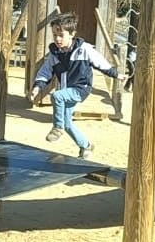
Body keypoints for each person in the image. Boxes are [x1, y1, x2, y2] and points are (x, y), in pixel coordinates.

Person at [29, 12, 126, 159]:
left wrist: (117, 75)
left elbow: (101, 63)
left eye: (61, 35)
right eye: (55, 35)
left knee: (56, 96)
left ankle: (57, 128)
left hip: (81, 89)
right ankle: (86, 146)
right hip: (66, 90)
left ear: (72, 34)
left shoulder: (84, 49)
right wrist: (37, 87)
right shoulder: (55, 54)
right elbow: (45, 71)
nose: (57, 39)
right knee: (68, 124)